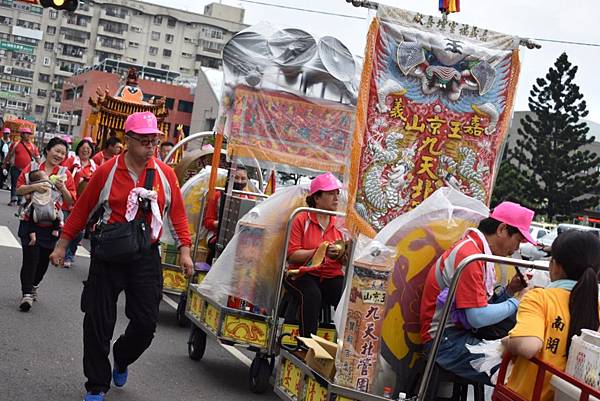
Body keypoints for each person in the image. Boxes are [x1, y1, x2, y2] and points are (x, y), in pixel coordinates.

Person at [49, 111, 193, 401]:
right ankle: (96, 384)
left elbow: (177, 214)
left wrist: (186, 252)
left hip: (146, 256)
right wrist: (62, 245)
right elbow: (82, 209)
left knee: (145, 323)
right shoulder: (107, 171)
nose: (150, 146)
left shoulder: (165, 175)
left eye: (154, 140)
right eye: (143, 140)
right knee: (97, 320)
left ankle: (122, 356)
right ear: (127, 141)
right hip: (109, 254)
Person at [419, 201, 535, 385]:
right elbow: (477, 317)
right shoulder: (470, 256)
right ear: (502, 229)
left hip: (456, 334)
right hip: (443, 341)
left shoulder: (477, 252)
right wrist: (517, 302)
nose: (517, 249)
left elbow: (479, 307)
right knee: (515, 374)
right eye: (518, 240)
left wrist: (510, 291)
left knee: (519, 364)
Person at [504, 230, 600, 401]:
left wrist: (507, 342)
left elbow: (528, 346)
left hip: (527, 395)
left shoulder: (539, 298)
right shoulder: (597, 306)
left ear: (555, 265)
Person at [15, 137, 75, 312]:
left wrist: (63, 188)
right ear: (47, 150)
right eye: (56, 151)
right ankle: (26, 294)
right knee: (30, 258)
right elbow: (19, 189)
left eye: (63, 153)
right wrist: (35, 187)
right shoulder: (33, 168)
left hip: (51, 224)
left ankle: (34, 285)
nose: (59, 155)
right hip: (29, 220)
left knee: (42, 261)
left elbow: (71, 201)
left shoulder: (65, 173)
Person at [284, 172, 346, 337]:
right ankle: (306, 345)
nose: (336, 197)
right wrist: (320, 250)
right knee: (311, 294)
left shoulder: (341, 223)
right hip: (301, 274)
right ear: (317, 198)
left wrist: (342, 253)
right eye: (330, 193)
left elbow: (346, 259)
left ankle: (345, 348)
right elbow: (292, 255)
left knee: (349, 298)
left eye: (337, 193)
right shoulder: (301, 218)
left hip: (331, 276)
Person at [203, 165, 253, 263]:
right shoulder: (218, 196)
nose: (239, 181)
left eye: (243, 179)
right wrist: (222, 223)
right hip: (217, 235)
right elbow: (208, 222)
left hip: (240, 238)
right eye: (236, 178)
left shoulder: (250, 198)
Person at [62, 138, 97, 267]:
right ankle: (63, 251)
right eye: (83, 148)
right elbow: (62, 175)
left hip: (83, 204)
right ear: (78, 149)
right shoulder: (71, 161)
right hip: (68, 200)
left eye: (88, 149)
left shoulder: (94, 166)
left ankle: (70, 254)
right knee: (65, 227)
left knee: (79, 233)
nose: (85, 151)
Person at [22, 169, 64, 246]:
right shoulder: (47, 183)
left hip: (35, 207)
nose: (47, 176)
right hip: (48, 206)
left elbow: (27, 196)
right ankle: (56, 229)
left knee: (31, 222)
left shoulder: (32, 186)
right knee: (57, 216)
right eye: (45, 175)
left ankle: (33, 236)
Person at [3, 127, 40, 206]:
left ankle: (19, 199)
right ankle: (13, 199)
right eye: (25, 133)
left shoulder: (33, 146)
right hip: (15, 168)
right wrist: (4, 164)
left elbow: (37, 158)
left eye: (29, 134)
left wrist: (40, 167)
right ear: (21, 134)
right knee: (14, 183)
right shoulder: (15, 144)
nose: (27, 135)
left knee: (23, 185)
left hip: (27, 170)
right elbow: (9, 155)